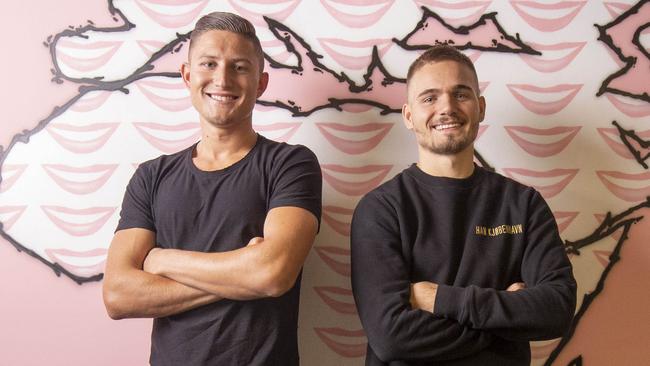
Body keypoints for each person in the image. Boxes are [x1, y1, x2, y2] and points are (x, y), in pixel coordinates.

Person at [102, 12, 321, 366]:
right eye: (209, 63)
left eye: (239, 67)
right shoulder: (151, 177)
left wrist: (162, 260)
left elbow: (271, 273)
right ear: (188, 76)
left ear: (261, 83)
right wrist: (242, 272)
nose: (222, 79)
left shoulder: (290, 165)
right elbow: (118, 295)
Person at [350, 45, 576, 365]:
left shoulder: (523, 204)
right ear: (409, 116)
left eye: (461, 94)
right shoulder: (381, 209)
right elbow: (391, 337)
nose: (447, 108)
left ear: (480, 107)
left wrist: (441, 299)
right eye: (430, 98)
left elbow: (557, 309)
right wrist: (507, 320)